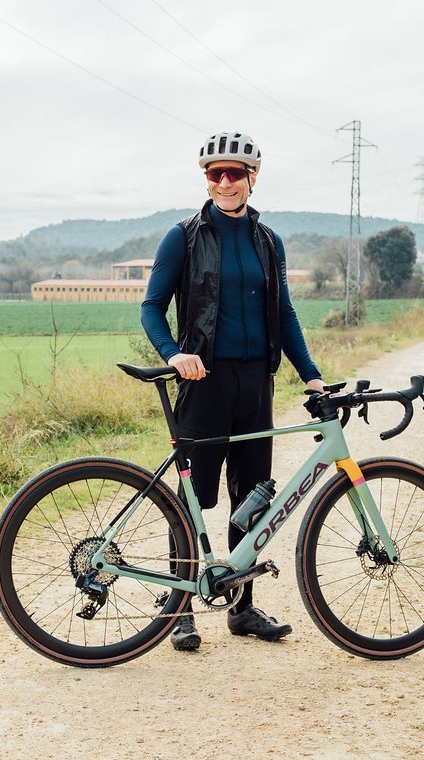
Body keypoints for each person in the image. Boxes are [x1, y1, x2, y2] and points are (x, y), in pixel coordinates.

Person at [140, 131, 326, 651]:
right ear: (206, 179)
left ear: (252, 178)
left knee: (253, 496)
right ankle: (180, 610)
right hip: (204, 380)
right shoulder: (184, 236)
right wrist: (174, 353)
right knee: (192, 500)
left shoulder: (270, 242)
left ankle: (241, 609)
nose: (224, 182)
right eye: (215, 174)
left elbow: (284, 313)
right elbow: (152, 307)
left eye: (235, 173)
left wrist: (309, 373)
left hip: (255, 384)